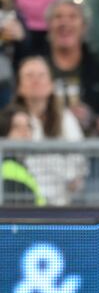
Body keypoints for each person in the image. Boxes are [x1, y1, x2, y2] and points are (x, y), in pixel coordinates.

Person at [13, 55, 87, 206]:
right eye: (29, 76)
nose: (36, 80)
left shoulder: (65, 118)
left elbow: (79, 159)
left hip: (61, 203)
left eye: (41, 75)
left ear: (51, 84)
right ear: (19, 87)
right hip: (21, 202)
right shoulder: (10, 119)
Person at [45, 0, 99, 136]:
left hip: (91, 150)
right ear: (48, 25)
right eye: (58, 17)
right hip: (42, 148)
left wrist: (92, 118)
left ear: (84, 27)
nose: (64, 23)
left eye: (73, 17)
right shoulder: (34, 68)